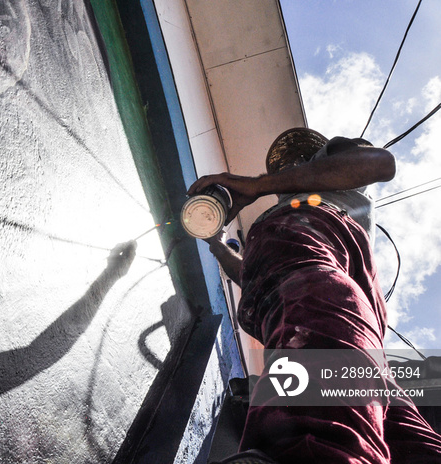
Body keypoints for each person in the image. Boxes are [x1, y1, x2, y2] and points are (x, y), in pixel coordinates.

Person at [187, 128, 441, 464]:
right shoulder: (303, 220)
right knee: (412, 444)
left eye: (290, 159)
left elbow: (381, 163)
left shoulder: (328, 180)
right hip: (352, 331)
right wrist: (218, 247)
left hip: (323, 298)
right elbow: (259, 281)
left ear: (314, 155)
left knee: (324, 431)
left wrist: (258, 185)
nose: (284, 167)